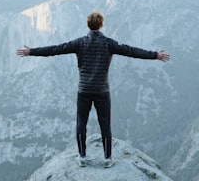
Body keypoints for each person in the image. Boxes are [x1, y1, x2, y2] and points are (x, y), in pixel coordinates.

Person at [16, 11, 170, 168]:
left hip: (84, 90)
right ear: (101, 24)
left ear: (88, 25)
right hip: (102, 90)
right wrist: (155, 55)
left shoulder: (80, 42)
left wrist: (31, 51)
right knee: (105, 124)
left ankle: (82, 157)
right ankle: (107, 159)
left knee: (81, 122)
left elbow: (56, 49)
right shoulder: (109, 43)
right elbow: (131, 51)